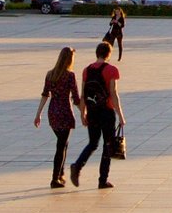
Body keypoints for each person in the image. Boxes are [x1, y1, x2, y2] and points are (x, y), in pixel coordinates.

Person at [70, 40, 123, 189]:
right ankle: (102, 180)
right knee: (108, 144)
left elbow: (83, 94)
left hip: (92, 111)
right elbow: (113, 93)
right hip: (106, 112)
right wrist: (121, 115)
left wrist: (83, 113)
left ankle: (77, 166)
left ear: (97, 53)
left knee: (93, 143)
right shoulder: (112, 70)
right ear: (109, 54)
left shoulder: (87, 70)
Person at [35, 46, 80, 188]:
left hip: (53, 112)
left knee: (63, 143)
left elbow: (44, 95)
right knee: (61, 145)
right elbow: (76, 98)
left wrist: (38, 114)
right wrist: (84, 112)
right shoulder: (70, 75)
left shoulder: (50, 74)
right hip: (65, 112)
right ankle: (55, 177)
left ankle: (60, 174)